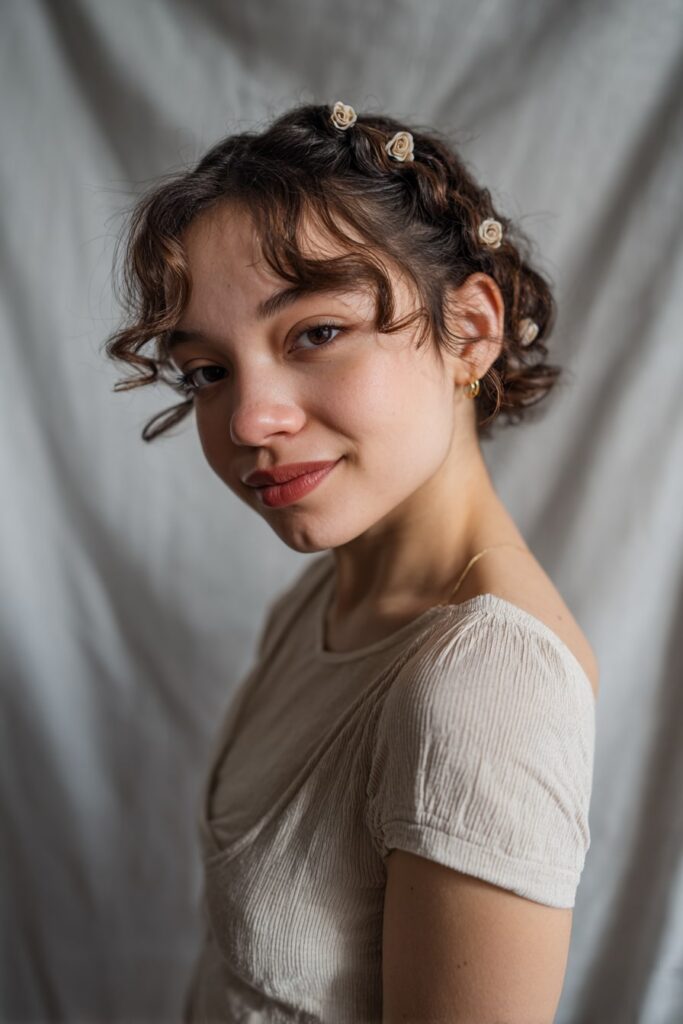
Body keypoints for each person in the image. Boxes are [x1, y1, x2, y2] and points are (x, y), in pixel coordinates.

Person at [103, 100, 599, 1023]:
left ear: (472, 330)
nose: (251, 421)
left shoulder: (488, 683)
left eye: (315, 334)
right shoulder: (324, 595)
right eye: (209, 370)